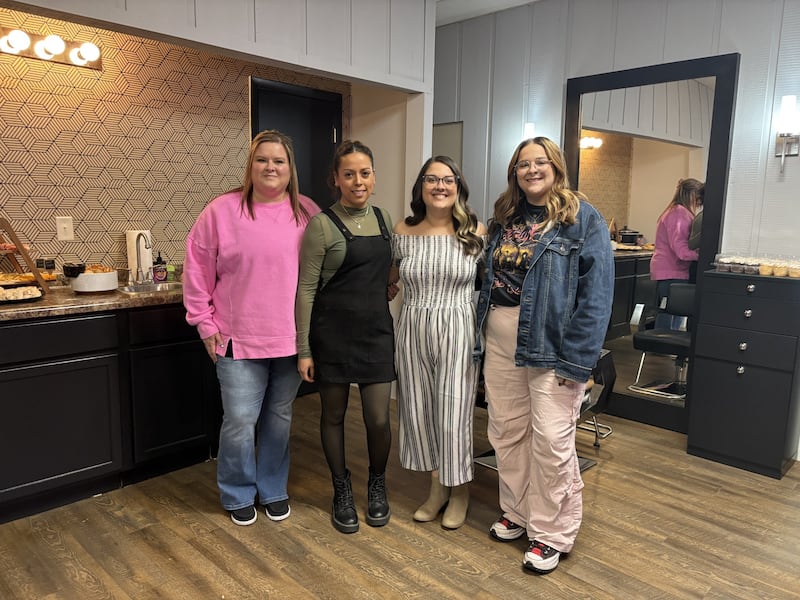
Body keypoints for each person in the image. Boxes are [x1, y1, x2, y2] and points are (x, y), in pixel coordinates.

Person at [473, 136, 613, 574]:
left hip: (552, 345)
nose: (531, 170)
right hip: (499, 340)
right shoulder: (504, 217)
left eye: (539, 162)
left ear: (556, 166)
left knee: (552, 441)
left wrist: (579, 361)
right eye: (522, 164)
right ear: (514, 172)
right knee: (507, 432)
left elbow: (596, 297)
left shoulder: (582, 219)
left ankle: (551, 532)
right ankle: (516, 512)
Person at [183, 129, 319, 526]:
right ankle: (238, 491)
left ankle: (273, 488)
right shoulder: (221, 212)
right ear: (250, 166)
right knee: (240, 420)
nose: (271, 167)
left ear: (291, 169)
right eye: (263, 160)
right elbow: (196, 271)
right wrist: (204, 325)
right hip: (236, 339)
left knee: (279, 418)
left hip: (292, 340)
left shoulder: (307, 212)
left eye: (279, 160)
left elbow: (327, 268)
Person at [296, 140, 395, 534]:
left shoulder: (386, 219)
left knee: (378, 418)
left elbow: (393, 266)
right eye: (349, 173)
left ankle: (376, 483)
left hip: (376, 334)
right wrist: (303, 349)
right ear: (335, 179)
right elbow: (305, 290)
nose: (358, 181)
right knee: (333, 415)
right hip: (331, 335)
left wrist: (392, 281)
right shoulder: (321, 225)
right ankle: (341, 489)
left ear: (374, 177)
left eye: (365, 173)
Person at [392, 156, 487, 530]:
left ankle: (460, 489)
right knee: (418, 410)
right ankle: (436, 488)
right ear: (421, 188)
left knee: (453, 413)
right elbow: (388, 277)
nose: (440, 186)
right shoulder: (404, 230)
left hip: (458, 324)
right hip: (413, 324)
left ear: (458, 187)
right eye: (431, 179)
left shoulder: (475, 231)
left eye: (447, 180)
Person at [651, 178, 703, 304]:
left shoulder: (680, 212)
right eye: (699, 198)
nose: (700, 203)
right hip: (671, 273)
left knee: (672, 315)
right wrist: (700, 256)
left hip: (674, 272)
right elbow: (681, 250)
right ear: (692, 195)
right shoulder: (678, 214)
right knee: (669, 316)